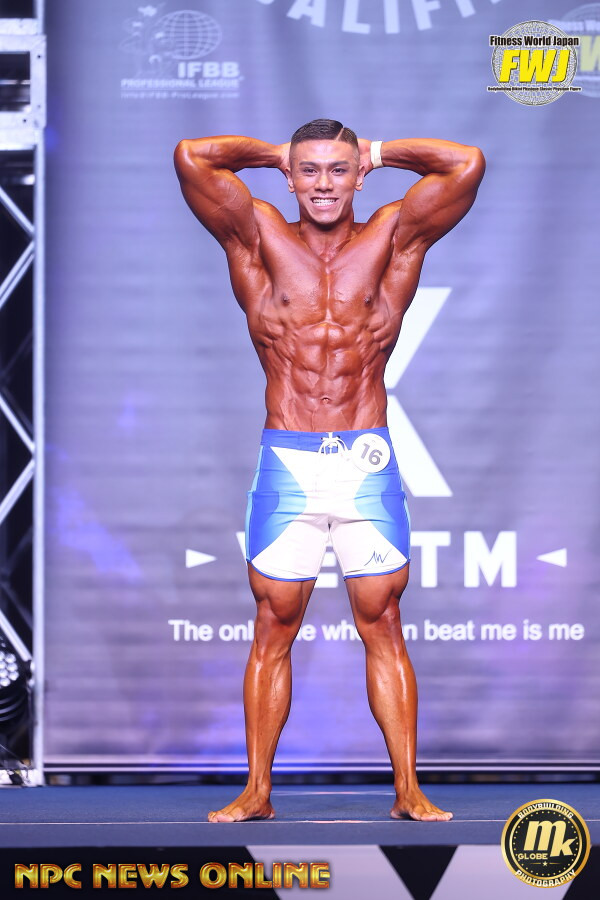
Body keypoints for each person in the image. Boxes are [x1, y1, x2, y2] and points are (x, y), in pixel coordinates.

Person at [174, 119, 485, 822]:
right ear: (289, 177)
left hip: (364, 459)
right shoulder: (257, 235)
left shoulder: (392, 238)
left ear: (358, 177)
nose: (323, 184)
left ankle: (408, 791)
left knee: (384, 621)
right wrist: (274, 152)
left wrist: (376, 151)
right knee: (272, 624)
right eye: (309, 170)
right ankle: (257, 792)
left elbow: (465, 163)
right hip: (289, 459)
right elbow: (192, 156)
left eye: (338, 170)